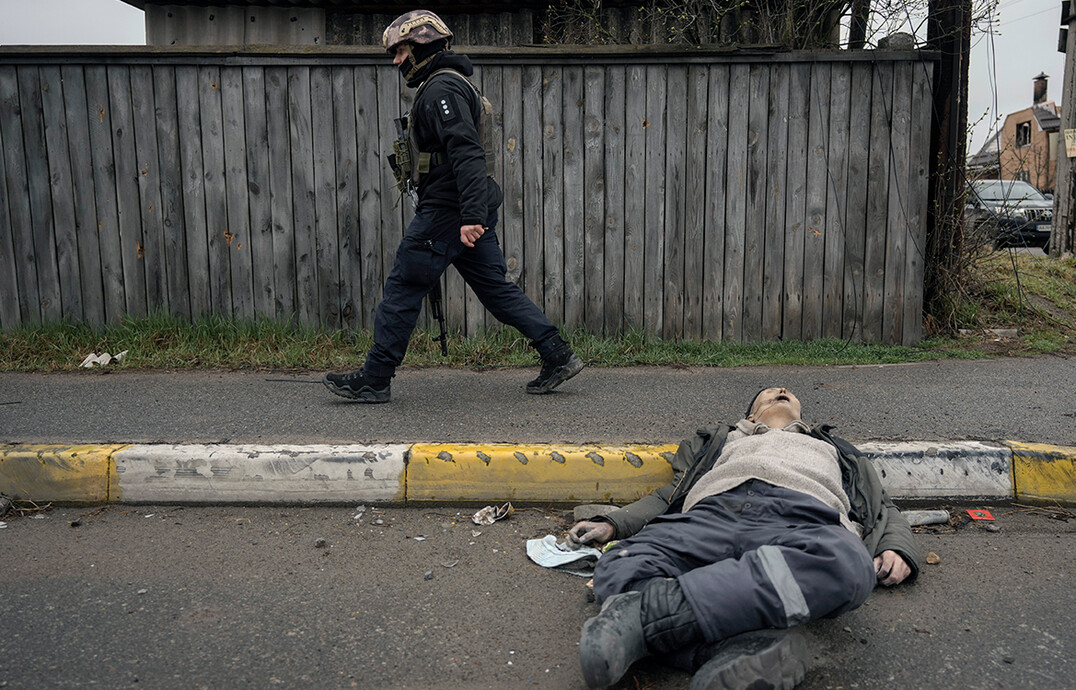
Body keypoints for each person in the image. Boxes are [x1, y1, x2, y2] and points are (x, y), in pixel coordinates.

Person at [569, 387, 920, 690]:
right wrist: (613, 524)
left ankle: (642, 618)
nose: (780, 390)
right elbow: (670, 495)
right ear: (751, 412)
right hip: (708, 516)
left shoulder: (833, 447)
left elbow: (879, 505)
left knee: (847, 566)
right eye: (768, 392)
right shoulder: (720, 440)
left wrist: (896, 545)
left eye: (787, 391)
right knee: (620, 563)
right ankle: (732, 653)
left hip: (799, 518)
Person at [324, 10, 583, 403]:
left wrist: (471, 217)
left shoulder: (443, 89)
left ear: (423, 46)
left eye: (401, 50)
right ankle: (557, 354)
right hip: (460, 208)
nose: (396, 61)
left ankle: (374, 379)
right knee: (496, 289)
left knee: (404, 285)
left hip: (449, 211)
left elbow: (466, 152)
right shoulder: (446, 85)